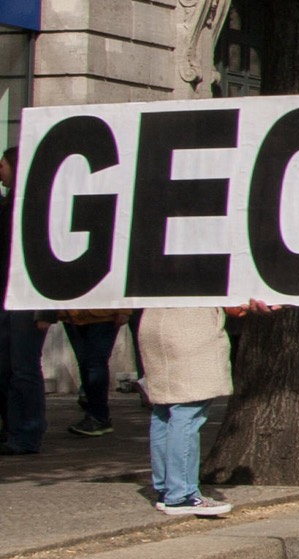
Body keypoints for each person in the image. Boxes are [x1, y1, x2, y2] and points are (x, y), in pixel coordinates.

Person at [135, 307, 236, 516]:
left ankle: (166, 490)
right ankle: (181, 493)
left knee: (163, 410)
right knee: (188, 413)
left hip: (154, 321)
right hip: (189, 325)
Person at [2, 147, 50, 457]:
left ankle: (29, 432)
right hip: (7, 298)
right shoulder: (8, 205)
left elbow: (43, 260)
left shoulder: (33, 207)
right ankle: (13, 429)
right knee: (7, 367)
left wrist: (45, 309)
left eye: (3, 166)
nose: (0, 171)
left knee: (23, 368)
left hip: (26, 300)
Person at [61, 309, 129, 438]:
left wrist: (124, 309)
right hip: (72, 313)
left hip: (104, 314)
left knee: (95, 363)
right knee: (85, 364)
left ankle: (99, 417)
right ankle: (94, 415)